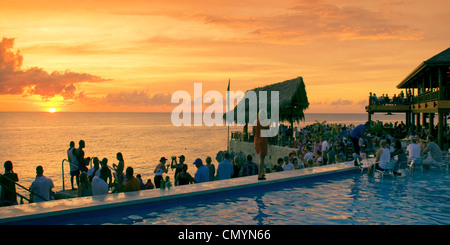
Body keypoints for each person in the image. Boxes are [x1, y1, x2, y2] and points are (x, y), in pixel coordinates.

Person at [254, 110, 270, 180]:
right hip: (263, 140)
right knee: (262, 159)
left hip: (257, 140)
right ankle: (260, 175)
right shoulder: (265, 122)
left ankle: (261, 173)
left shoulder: (256, 122)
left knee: (261, 158)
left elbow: (253, 131)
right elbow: (268, 131)